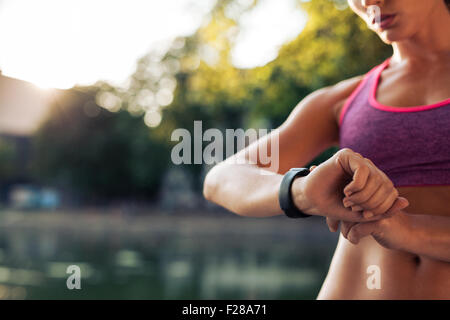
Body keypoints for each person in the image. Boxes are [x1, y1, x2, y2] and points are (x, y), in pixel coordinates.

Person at [203, 0, 450, 299]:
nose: (369, 1)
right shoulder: (343, 100)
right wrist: (303, 191)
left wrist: (410, 231)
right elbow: (221, 179)